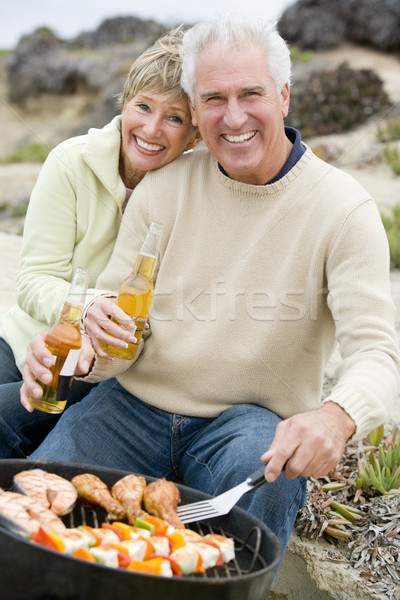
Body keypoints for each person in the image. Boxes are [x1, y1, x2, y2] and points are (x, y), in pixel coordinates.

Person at [22, 13, 399, 563]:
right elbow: (111, 334)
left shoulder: (344, 211)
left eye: (252, 94)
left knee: (249, 520)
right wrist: (81, 352)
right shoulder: (164, 187)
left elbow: (379, 353)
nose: (235, 115)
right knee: (43, 512)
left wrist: (336, 416)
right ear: (196, 111)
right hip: (131, 406)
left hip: (249, 424)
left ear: (285, 96)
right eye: (214, 98)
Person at [0, 26, 200, 458]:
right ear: (124, 104)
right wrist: (90, 306)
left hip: (103, 374)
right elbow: (34, 280)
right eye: (142, 106)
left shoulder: (195, 192)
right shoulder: (70, 163)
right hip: (25, 343)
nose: (151, 128)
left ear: (196, 134)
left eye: (175, 117)